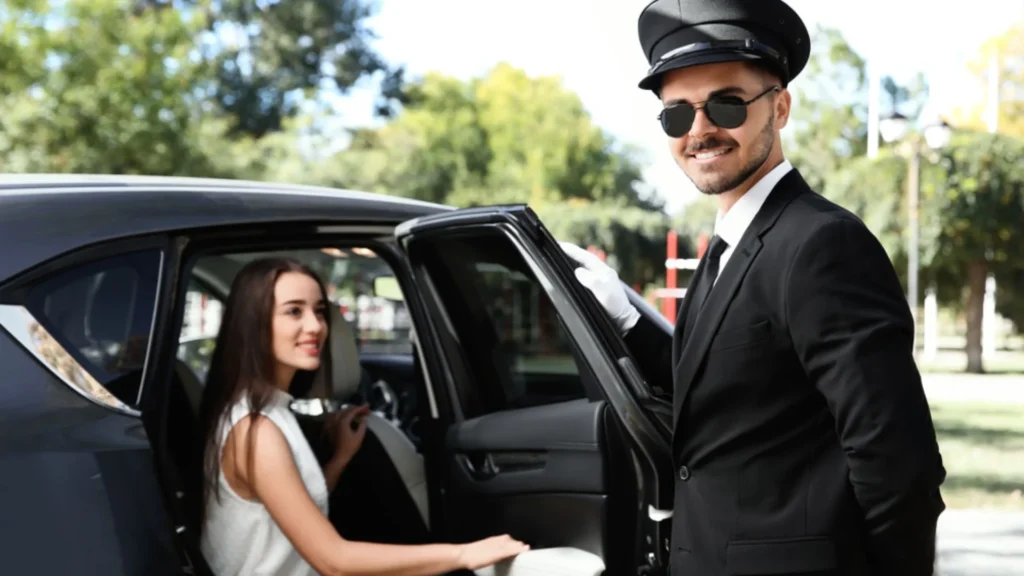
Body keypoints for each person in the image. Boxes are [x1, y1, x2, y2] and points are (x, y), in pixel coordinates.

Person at [560, 1, 946, 574]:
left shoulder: (822, 245)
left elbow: (898, 463)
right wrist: (626, 318)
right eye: (676, 115)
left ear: (780, 106)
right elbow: (728, 397)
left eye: (727, 104)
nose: (700, 130)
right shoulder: (729, 246)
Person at [194, 257, 528, 576]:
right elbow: (334, 560)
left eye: (320, 311)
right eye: (294, 311)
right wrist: (463, 554)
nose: (316, 326)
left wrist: (339, 459)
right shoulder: (256, 429)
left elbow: (287, 512)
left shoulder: (260, 411)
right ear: (253, 325)